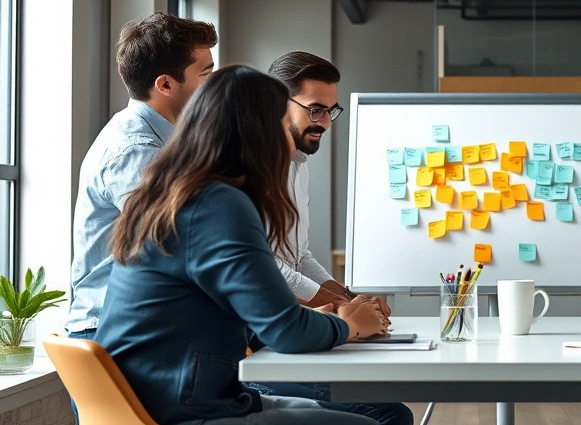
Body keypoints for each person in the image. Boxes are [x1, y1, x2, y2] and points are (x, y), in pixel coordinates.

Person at [97, 65, 389, 425]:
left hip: (165, 395)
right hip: (184, 408)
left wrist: (316, 317)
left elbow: (262, 316)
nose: (288, 139)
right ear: (259, 135)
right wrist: (349, 325)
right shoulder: (217, 205)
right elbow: (285, 332)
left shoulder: (174, 193)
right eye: (284, 126)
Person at [249, 51, 411, 425]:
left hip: (275, 335)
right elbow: (266, 265)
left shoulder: (298, 167)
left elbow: (298, 256)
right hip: (256, 346)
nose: (325, 122)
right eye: (315, 109)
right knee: (386, 413)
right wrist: (347, 312)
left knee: (384, 403)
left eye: (331, 111)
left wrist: (352, 300)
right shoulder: (250, 170)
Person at [67, 12, 217, 341]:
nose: (215, 87)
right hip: (115, 334)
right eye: (206, 75)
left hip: (133, 329)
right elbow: (179, 245)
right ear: (165, 84)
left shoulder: (161, 142)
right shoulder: (138, 151)